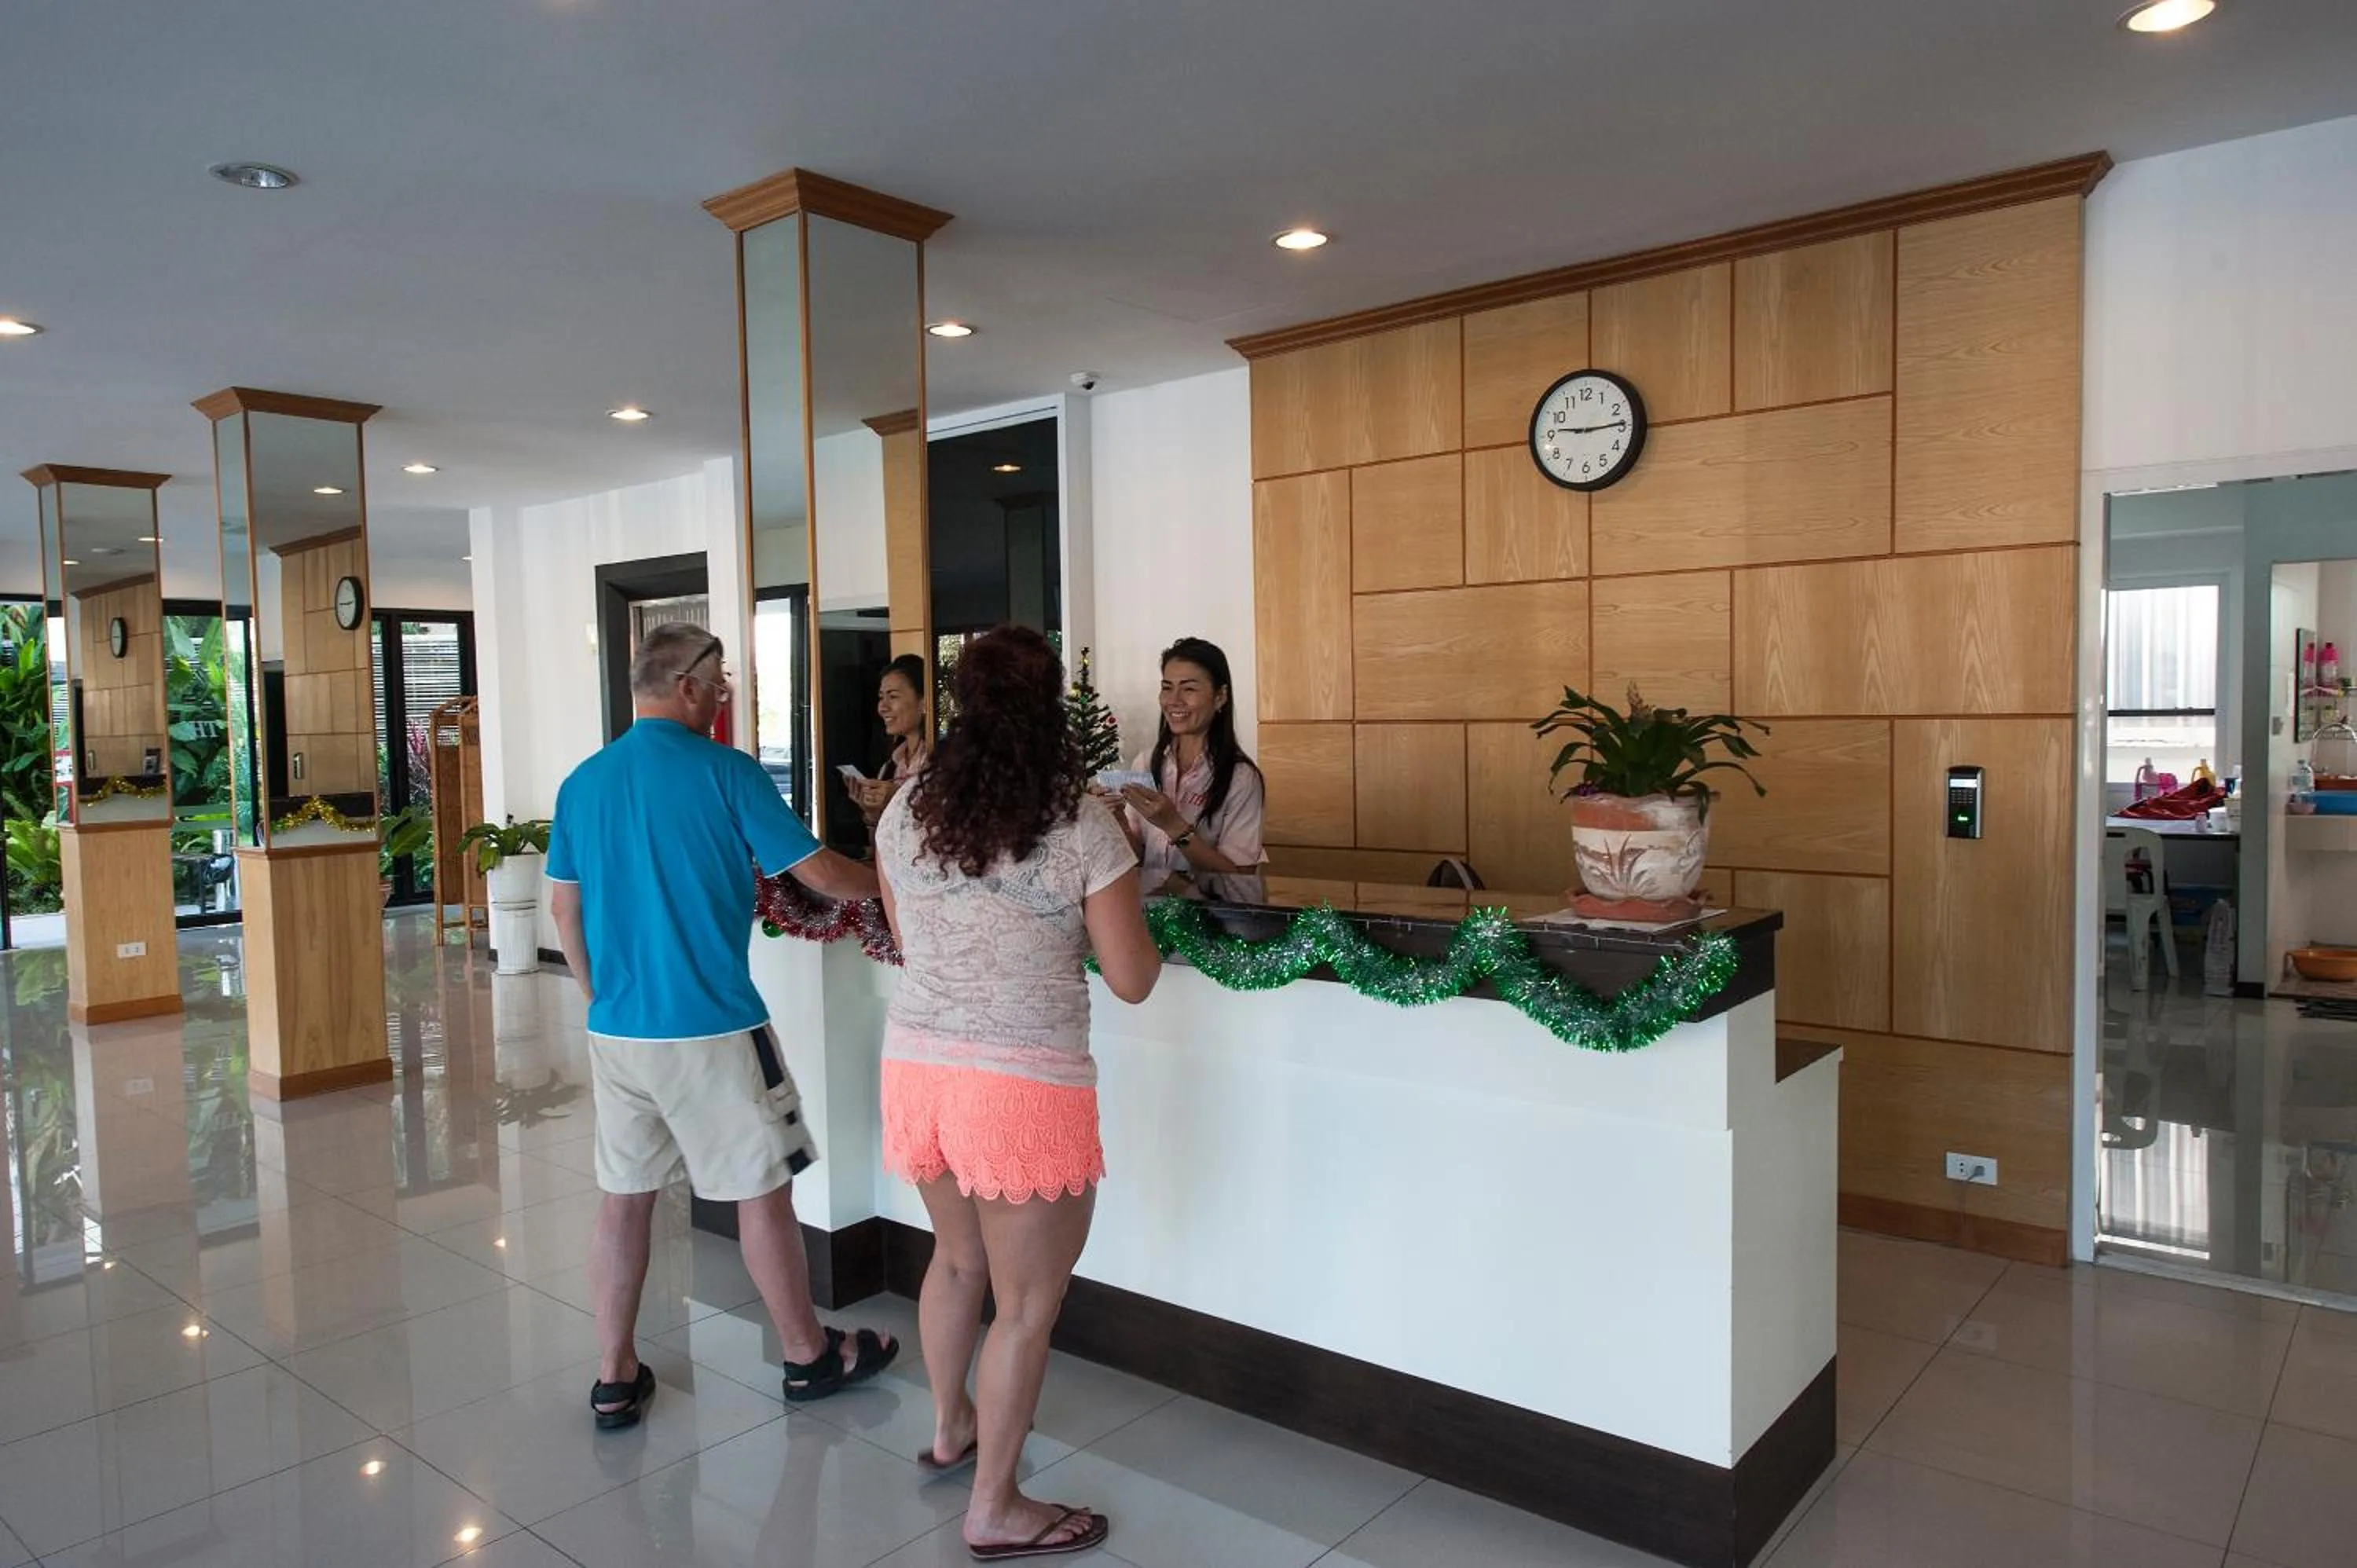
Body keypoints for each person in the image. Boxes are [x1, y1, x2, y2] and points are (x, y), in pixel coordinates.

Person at [546, 622, 899, 1431]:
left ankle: (614, 1374)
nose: (725, 701)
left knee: (624, 1200)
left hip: (620, 1030)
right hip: (710, 1025)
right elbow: (819, 872)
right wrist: (901, 882)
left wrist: (601, 996)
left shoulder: (585, 782)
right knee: (761, 1195)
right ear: (691, 687)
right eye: (722, 687)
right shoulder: (726, 773)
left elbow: (566, 904)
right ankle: (809, 1357)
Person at [872, 626, 1162, 1562]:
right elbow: (1132, 977)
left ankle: (952, 1426)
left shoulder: (906, 807)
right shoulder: (1078, 822)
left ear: (958, 704)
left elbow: (909, 938)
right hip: (1022, 1083)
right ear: (1049, 713)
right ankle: (994, 1504)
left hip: (918, 1066)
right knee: (1026, 1308)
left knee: (956, 1264)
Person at [1116, 636, 1267, 902]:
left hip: (1208, 925)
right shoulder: (1145, 762)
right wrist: (1118, 821)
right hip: (1151, 915)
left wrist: (1174, 826)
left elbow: (1242, 879)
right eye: (1167, 687)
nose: (1174, 700)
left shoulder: (1241, 778)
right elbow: (1137, 857)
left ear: (1220, 697)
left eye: (1188, 689)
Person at [849, 653, 929, 830]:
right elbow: (882, 848)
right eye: (881, 697)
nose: (882, 707)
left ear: (924, 702)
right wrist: (872, 812)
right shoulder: (889, 768)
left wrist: (900, 799)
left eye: (893, 697)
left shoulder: (945, 763)